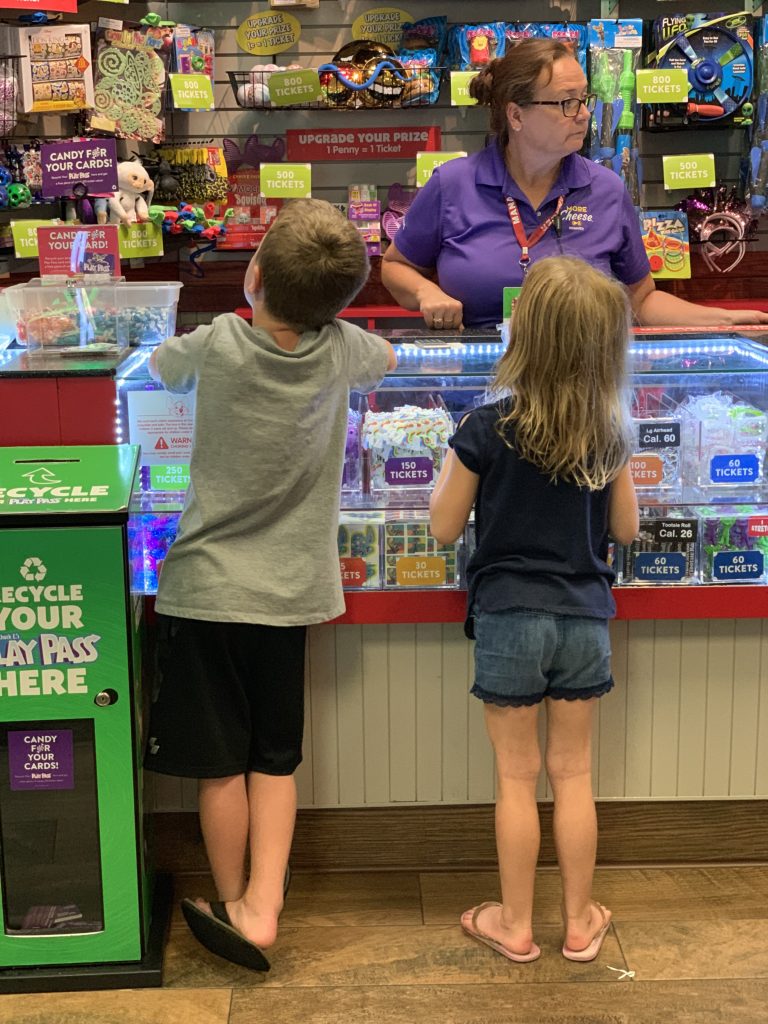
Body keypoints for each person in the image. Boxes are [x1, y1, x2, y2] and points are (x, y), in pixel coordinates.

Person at [143, 198, 396, 971]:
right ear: (341, 302)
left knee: (219, 765)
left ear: (252, 276)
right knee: (274, 760)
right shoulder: (349, 350)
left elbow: (154, 365)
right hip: (290, 595)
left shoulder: (216, 342)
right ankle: (266, 904)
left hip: (205, 588)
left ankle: (229, 900)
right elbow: (386, 360)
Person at [429, 255, 639, 964]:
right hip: (584, 617)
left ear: (523, 336)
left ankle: (514, 924)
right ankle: (579, 922)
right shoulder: (609, 430)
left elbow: (442, 528)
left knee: (516, 780)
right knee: (573, 775)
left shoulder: (487, 426)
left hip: (509, 617)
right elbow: (628, 530)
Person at [382, 38, 768, 331]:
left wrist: (723, 321)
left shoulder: (605, 189)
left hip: (581, 394)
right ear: (516, 115)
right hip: (480, 387)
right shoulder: (453, 183)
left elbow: (641, 300)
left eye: (585, 99)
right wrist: (426, 292)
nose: (584, 115)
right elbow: (395, 266)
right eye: (567, 102)